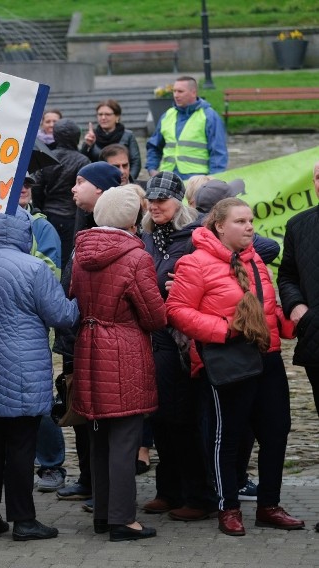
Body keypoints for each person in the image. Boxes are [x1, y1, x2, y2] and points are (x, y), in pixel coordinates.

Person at [167, 197, 304, 536]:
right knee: (227, 437)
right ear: (219, 226)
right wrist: (224, 331)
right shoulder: (194, 263)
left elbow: (267, 308)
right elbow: (176, 310)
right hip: (226, 360)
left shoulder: (256, 260)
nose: (250, 227)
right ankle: (227, 507)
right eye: (241, 222)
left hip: (267, 358)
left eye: (250, 221)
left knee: (276, 432)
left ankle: (268, 506)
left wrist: (292, 323)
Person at [0, 209, 77, 541]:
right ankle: (24, 520)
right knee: (22, 446)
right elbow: (60, 315)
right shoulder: (35, 268)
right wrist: (79, 304)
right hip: (23, 370)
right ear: (25, 232)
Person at [71, 185, 167, 542]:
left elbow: (72, 295)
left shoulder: (81, 252)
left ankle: (102, 514)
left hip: (88, 343)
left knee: (99, 435)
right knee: (126, 438)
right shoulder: (136, 257)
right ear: (131, 218)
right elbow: (154, 317)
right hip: (123, 348)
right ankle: (123, 520)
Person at [137, 172, 217, 521]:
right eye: (151, 200)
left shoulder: (197, 235)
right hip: (155, 339)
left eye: (162, 200)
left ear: (179, 202)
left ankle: (197, 495)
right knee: (160, 417)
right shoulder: (148, 237)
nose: (155, 206)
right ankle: (167, 490)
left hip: (184, 343)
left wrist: (187, 280)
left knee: (182, 419)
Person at [52, 161, 122, 507]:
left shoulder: (115, 230)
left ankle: (105, 486)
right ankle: (88, 478)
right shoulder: (83, 222)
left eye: (81, 182)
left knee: (101, 415)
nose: (73, 188)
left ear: (102, 189)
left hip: (98, 336)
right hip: (74, 335)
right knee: (79, 411)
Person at [278, 162, 319, 434]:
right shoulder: (299, 225)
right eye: (318, 177)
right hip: (315, 333)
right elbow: (287, 275)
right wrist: (296, 306)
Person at [30, 118, 91, 270]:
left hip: (49, 213)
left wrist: (40, 207)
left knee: (47, 253)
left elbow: (36, 185)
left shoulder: (49, 157)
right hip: (71, 215)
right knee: (66, 257)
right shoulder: (82, 161)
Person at [145, 76, 228, 180]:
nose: (176, 95)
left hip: (197, 180)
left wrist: (214, 180)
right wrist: (152, 169)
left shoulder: (209, 116)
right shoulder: (167, 115)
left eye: (180, 91)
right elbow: (154, 146)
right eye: (174, 91)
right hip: (168, 178)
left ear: (193, 93)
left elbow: (218, 153)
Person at [80, 100, 141, 180]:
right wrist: (87, 145)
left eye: (108, 114)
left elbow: (136, 162)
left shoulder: (128, 135)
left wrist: (129, 180)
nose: (103, 117)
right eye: (100, 114)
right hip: (98, 183)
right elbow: (82, 161)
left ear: (117, 116)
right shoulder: (92, 137)